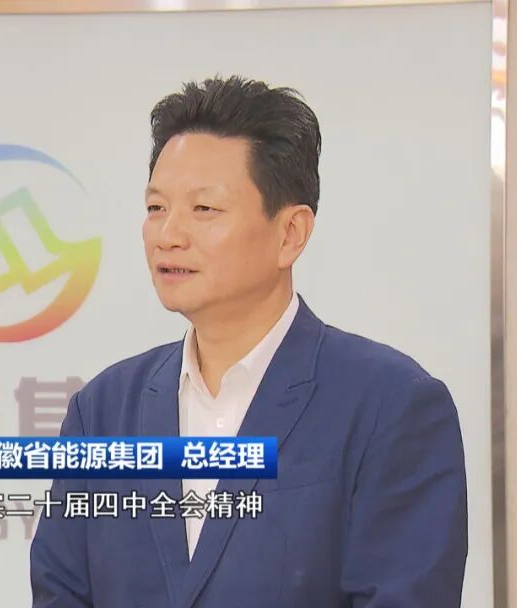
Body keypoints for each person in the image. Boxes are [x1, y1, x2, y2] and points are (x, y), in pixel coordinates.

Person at [30, 75, 467, 608]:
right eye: (156, 208)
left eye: (204, 209)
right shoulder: (102, 411)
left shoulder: (391, 406)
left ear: (290, 234)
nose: (168, 234)